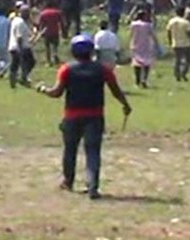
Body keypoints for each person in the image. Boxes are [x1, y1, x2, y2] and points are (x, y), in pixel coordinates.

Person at [36, 34, 132, 200]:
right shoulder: (103, 70)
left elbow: (57, 92)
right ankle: (93, 186)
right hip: (95, 116)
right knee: (93, 151)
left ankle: (68, 181)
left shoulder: (67, 69)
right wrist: (125, 104)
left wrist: (43, 89)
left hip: (72, 116)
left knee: (70, 150)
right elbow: (115, 90)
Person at [129, 10, 159, 88]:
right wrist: (156, 44)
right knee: (146, 63)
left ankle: (137, 81)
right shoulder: (148, 25)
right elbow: (153, 36)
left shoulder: (133, 24)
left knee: (136, 64)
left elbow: (131, 34)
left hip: (135, 46)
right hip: (146, 46)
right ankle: (144, 79)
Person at [8, 6, 36, 88]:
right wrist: (21, 50)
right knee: (30, 62)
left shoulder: (16, 20)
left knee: (15, 65)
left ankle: (16, 80)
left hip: (15, 46)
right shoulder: (20, 23)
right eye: (27, 13)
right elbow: (19, 37)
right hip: (21, 47)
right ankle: (22, 78)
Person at [166, 7, 190, 82]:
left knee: (177, 60)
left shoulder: (171, 21)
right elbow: (189, 33)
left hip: (175, 43)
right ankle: (183, 73)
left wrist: (170, 41)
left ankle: (177, 75)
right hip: (185, 43)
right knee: (189, 60)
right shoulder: (186, 22)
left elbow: (168, 32)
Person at [38, 1, 64, 66]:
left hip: (47, 32)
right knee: (55, 46)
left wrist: (41, 32)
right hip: (55, 31)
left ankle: (48, 61)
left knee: (47, 48)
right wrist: (63, 31)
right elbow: (61, 23)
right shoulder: (57, 12)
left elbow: (41, 24)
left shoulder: (43, 13)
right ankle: (55, 55)